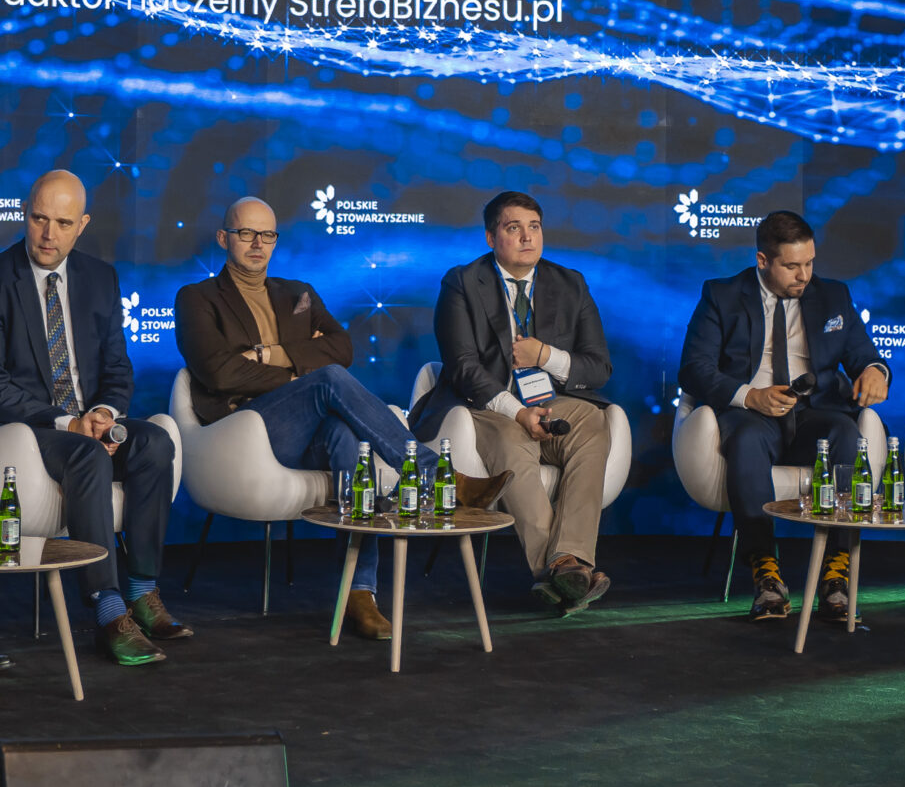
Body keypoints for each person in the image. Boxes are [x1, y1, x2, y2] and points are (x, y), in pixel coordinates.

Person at [175, 196, 508, 642]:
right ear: (223, 238)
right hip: (243, 431)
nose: (257, 243)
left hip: (304, 430)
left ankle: (360, 592)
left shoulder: (297, 293)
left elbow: (342, 348)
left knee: (350, 440)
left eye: (267, 234)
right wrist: (301, 374)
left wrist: (268, 355)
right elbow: (218, 372)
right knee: (328, 380)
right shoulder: (196, 298)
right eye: (246, 233)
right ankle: (437, 477)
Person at [0, 170, 183, 667]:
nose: (48, 234)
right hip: (20, 431)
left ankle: (143, 590)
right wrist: (69, 423)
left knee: (154, 443)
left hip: (83, 424)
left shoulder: (100, 278)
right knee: (87, 455)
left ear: (82, 225)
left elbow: (117, 367)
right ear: (24, 214)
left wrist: (103, 413)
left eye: (62, 223)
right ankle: (108, 609)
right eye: (39, 219)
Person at [678, 209, 891, 625]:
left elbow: (865, 356)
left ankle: (836, 572)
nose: (804, 275)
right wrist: (750, 396)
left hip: (814, 413)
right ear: (762, 261)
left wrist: (875, 371)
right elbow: (694, 368)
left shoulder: (833, 296)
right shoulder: (721, 295)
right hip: (750, 414)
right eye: (792, 266)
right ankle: (766, 572)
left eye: (809, 263)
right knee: (745, 441)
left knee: (847, 434)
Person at [412, 191, 616, 613]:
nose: (527, 237)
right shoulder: (462, 282)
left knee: (593, 421)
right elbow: (463, 367)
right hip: (485, 406)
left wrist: (545, 356)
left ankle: (567, 561)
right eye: (513, 228)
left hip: (551, 401)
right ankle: (562, 569)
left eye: (534, 227)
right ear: (491, 238)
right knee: (511, 439)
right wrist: (518, 412)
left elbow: (598, 368)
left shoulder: (570, 283)